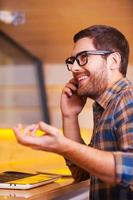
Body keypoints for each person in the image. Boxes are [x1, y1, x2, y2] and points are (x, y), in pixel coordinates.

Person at [13, 25, 133, 200]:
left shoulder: (127, 99)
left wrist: (63, 145)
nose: (75, 68)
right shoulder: (104, 106)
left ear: (113, 61)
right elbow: (85, 175)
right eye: (73, 61)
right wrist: (69, 116)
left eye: (83, 57)